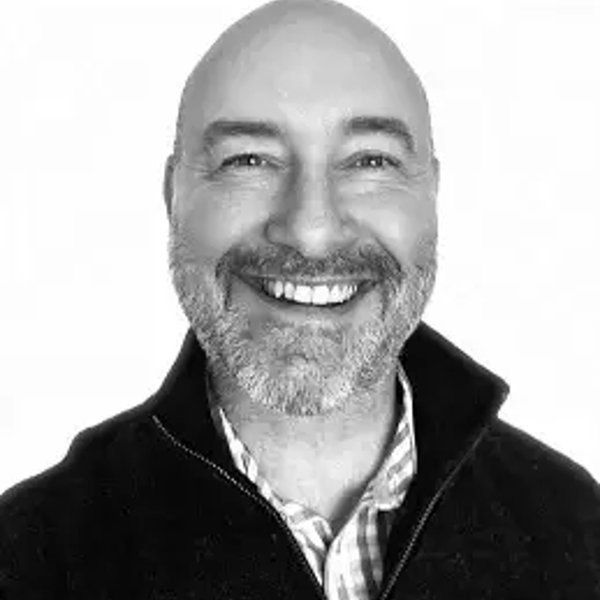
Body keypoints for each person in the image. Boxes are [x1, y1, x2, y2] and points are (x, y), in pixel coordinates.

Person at [1, 0, 599, 597]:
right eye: (248, 160)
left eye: (371, 160)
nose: (311, 230)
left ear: (432, 197)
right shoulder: (29, 558)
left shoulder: (576, 528)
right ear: (172, 197)